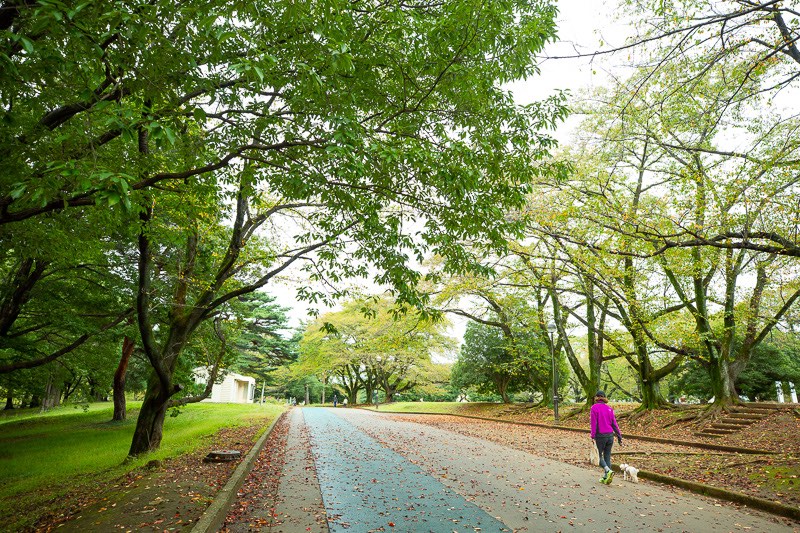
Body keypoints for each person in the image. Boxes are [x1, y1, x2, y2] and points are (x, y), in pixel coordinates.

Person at [590, 390, 622, 484]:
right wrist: (619, 436)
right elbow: (614, 424)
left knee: (598, 456)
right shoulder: (609, 409)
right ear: (604, 398)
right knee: (607, 456)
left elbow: (594, 423)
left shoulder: (594, 408)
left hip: (600, 436)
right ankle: (606, 477)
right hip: (610, 436)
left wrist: (593, 436)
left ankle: (608, 471)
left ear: (596, 397)